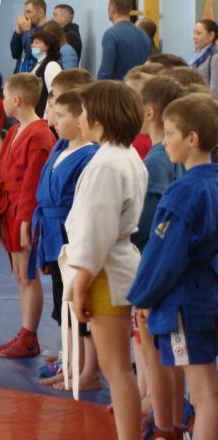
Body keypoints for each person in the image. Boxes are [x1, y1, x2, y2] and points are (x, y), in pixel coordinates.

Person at [128, 94, 218, 440]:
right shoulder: (211, 184)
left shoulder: (183, 193)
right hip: (207, 294)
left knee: (204, 393)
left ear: (191, 138)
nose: (164, 141)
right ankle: (176, 428)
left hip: (186, 301)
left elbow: (164, 255)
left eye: (169, 134)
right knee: (206, 387)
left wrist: (143, 297)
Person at [63, 81, 147, 440]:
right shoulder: (126, 156)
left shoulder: (107, 163)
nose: (80, 117)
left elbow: (97, 230)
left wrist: (80, 284)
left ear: (98, 117)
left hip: (104, 272)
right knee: (119, 368)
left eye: (83, 111)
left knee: (116, 368)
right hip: (114, 265)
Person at [128, 76, 186, 439]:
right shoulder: (166, 156)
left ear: (148, 112)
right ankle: (165, 412)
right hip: (167, 266)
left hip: (154, 267)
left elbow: (149, 224)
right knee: (164, 350)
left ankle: (166, 420)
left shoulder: (159, 160)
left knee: (155, 349)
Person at [32, 78, 98, 390]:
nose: (53, 122)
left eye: (60, 116)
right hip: (52, 232)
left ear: (81, 119)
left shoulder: (90, 154)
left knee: (81, 304)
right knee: (63, 304)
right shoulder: (60, 147)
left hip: (72, 234)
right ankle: (71, 364)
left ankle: (89, 371)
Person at [0, 73, 55, 358]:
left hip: (23, 210)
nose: (2, 102)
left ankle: (30, 335)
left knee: (28, 274)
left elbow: (33, 183)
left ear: (16, 100)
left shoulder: (39, 134)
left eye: (5, 96)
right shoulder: (16, 130)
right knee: (19, 274)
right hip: (9, 207)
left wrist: (26, 221)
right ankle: (25, 329)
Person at [97, 0, 152, 80]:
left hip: (118, 87)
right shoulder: (144, 35)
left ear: (112, 8)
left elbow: (105, 73)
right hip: (139, 86)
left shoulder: (111, 35)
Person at [30, 28, 63, 117]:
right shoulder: (39, 63)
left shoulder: (52, 65)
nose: (32, 45)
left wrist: (46, 118)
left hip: (43, 115)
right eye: (33, 42)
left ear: (48, 45)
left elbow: (54, 94)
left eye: (37, 43)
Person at [10, 0, 47, 73]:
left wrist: (26, 31)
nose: (25, 15)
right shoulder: (29, 29)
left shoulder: (48, 30)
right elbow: (15, 54)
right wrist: (18, 32)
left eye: (29, 12)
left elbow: (32, 55)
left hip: (33, 76)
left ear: (40, 12)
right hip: (19, 75)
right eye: (25, 12)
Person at [190, 18, 218, 94]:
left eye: (199, 33)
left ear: (211, 35)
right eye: (194, 33)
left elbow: (214, 90)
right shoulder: (198, 54)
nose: (194, 37)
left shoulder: (214, 57)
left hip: (206, 99)